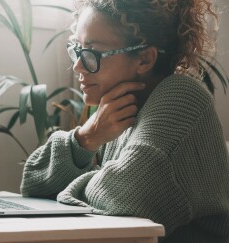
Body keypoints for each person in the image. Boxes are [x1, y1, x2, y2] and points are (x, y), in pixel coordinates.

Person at [20, 0, 229, 242]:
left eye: (92, 52)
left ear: (144, 60)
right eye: (76, 49)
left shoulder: (182, 96)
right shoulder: (117, 112)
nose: (78, 65)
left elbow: (127, 197)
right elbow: (33, 185)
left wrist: (63, 190)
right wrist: (86, 138)